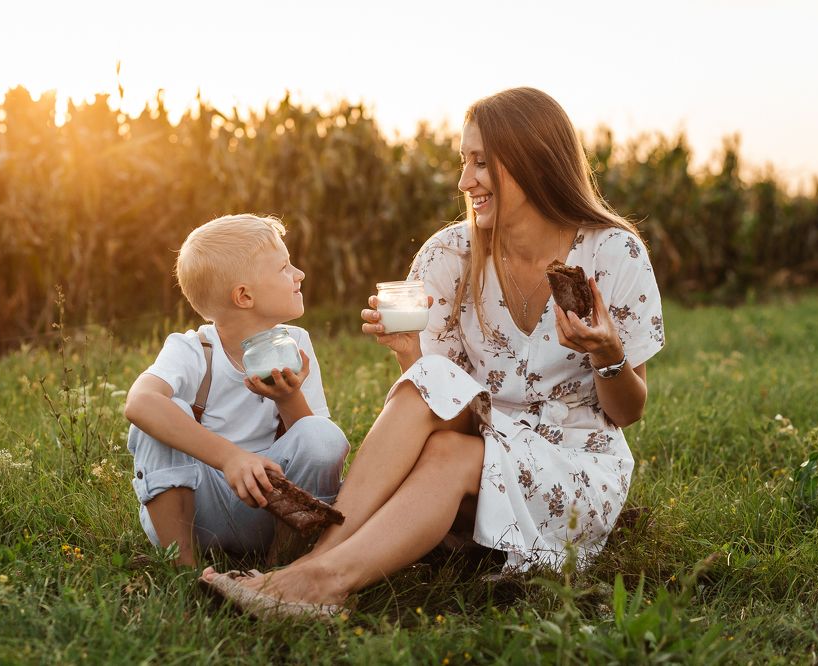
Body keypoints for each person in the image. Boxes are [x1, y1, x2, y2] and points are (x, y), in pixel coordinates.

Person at [200, 87, 665, 617]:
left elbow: (626, 412)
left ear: (535, 162)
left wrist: (607, 353)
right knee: (435, 395)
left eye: (482, 164)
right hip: (475, 444)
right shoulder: (449, 254)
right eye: (463, 162)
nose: (465, 181)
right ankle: (314, 568)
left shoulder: (613, 253)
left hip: (573, 466)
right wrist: (410, 356)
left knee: (451, 455)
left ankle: (322, 581)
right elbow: (442, 400)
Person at [125, 214, 350, 567]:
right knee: (163, 413)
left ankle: (283, 566)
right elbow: (139, 403)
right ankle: (183, 567)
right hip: (195, 513)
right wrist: (230, 457)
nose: (299, 274)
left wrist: (289, 400)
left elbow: (316, 451)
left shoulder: (296, 343)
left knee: (322, 434)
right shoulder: (193, 350)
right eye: (285, 268)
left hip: (269, 511)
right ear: (244, 295)